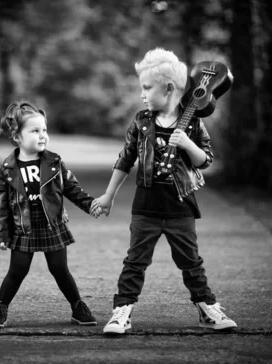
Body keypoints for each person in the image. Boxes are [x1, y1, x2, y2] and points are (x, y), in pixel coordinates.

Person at [91, 48, 237, 334]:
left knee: (191, 262)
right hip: (145, 205)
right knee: (135, 261)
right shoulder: (142, 121)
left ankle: (207, 308)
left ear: (169, 88)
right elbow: (125, 158)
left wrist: (188, 144)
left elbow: (206, 160)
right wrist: (108, 196)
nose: (142, 95)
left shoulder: (193, 122)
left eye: (147, 88)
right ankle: (122, 311)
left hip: (180, 206)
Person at [0, 101, 104, 329]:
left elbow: (71, 188)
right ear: (17, 137)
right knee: (17, 270)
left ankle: (78, 306)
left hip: (52, 224)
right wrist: (2, 234)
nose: (42, 135)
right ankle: (0, 308)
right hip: (24, 226)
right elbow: (0, 204)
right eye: (35, 131)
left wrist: (90, 205)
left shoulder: (54, 162)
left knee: (60, 269)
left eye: (44, 130)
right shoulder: (8, 169)